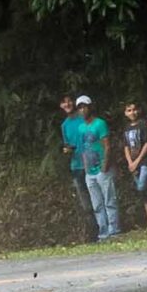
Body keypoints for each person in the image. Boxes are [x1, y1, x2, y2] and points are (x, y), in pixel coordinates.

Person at [64, 96, 118, 239]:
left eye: (84, 107)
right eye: (80, 107)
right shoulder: (81, 127)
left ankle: (114, 230)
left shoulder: (100, 124)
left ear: (90, 107)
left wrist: (104, 166)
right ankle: (103, 232)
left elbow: (107, 146)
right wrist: (87, 169)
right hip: (90, 171)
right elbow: (82, 149)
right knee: (97, 204)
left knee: (109, 201)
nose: (82, 110)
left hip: (102, 168)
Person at [59, 95, 94, 235]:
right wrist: (66, 150)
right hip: (76, 166)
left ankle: (107, 229)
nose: (67, 104)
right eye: (63, 101)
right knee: (85, 203)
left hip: (92, 164)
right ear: (60, 106)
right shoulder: (64, 125)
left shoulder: (83, 118)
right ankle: (93, 233)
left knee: (97, 197)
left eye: (69, 100)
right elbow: (67, 144)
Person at [122, 102, 147, 230]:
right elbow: (126, 146)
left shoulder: (143, 124)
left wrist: (137, 160)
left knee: (143, 186)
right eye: (129, 110)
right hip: (133, 164)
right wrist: (130, 162)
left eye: (134, 109)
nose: (132, 112)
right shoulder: (126, 128)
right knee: (144, 191)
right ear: (125, 113)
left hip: (145, 161)